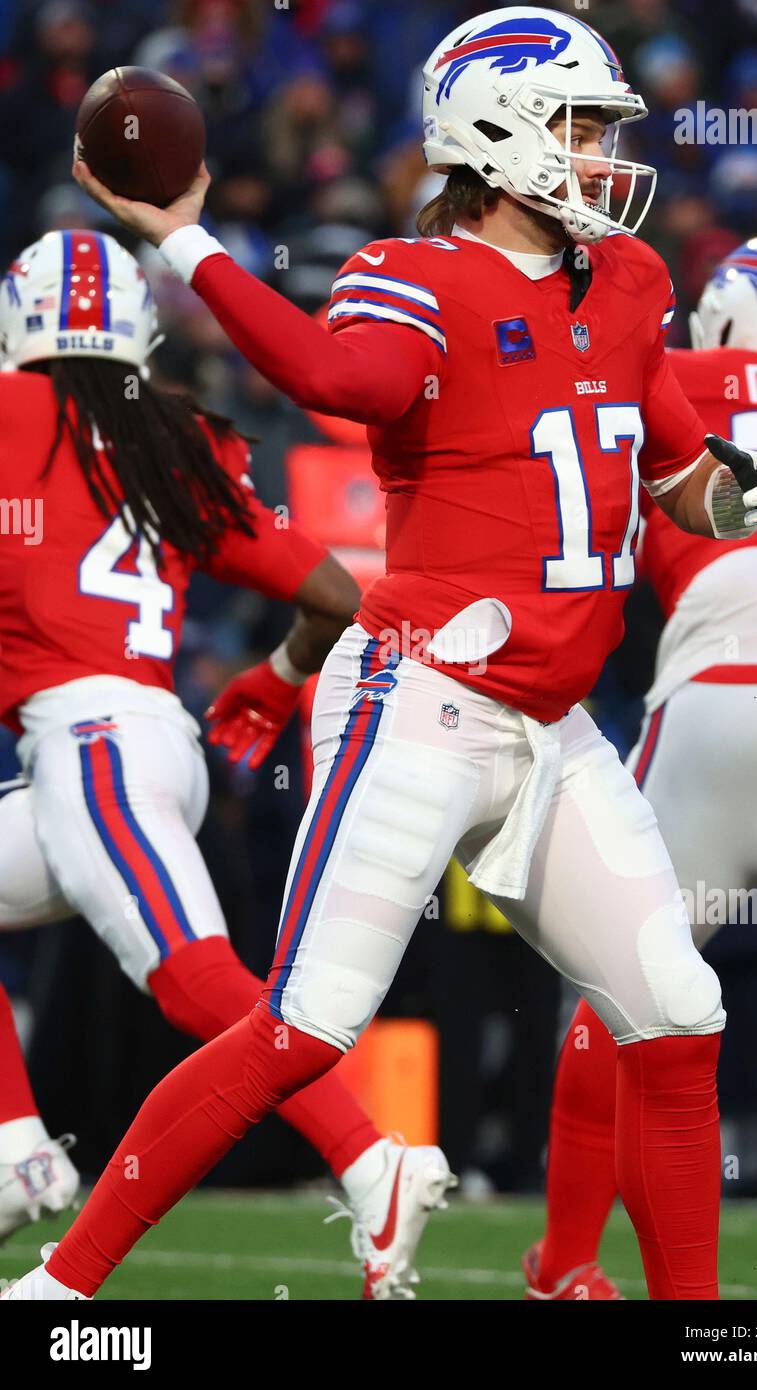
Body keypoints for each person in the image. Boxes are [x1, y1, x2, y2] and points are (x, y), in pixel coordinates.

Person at [4, 6, 757, 1302]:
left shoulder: (629, 281)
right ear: (493, 132)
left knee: (677, 1012)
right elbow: (337, 379)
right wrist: (187, 240)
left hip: (554, 722)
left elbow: (671, 470)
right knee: (301, 1025)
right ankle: (62, 1283)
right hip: (419, 695)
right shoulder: (416, 274)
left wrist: (735, 496)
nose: (606, 157)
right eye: (581, 126)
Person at [0, 228, 454, 1300]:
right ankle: (18, 1146)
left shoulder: (13, 414)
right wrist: (278, 676)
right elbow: (336, 593)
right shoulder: (173, 435)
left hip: (95, 744)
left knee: (197, 978)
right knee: (196, 973)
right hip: (148, 737)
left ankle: (368, 1155)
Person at [527, 229, 757, 1302]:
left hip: (724, 672)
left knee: (620, 982)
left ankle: (568, 1263)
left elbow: (572, 507)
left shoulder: (672, 370)